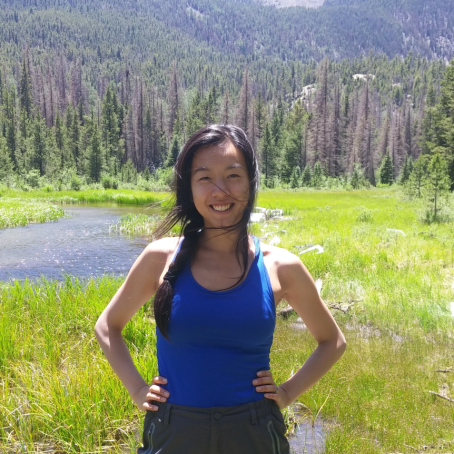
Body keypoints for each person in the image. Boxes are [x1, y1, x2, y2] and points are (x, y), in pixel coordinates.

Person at [95, 124, 346, 454]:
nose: (220, 190)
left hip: (253, 430)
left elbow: (332, 341)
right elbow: (107, 326)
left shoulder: (281, 266)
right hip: (174, 430)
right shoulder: (161, 258)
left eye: (233, 175)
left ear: (251, 182)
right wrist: (137, 389)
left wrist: (286, 393)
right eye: (204, 178)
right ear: (190, 189)